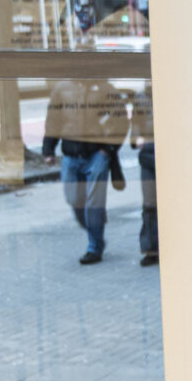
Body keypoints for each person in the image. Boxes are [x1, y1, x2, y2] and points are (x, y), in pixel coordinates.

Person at [41, 73, 130, 264]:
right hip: (70, 155)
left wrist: (108, 149)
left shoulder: (105, 88)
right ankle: (95, 225)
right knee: (74, 199)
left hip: (97, 155)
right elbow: (53, 120)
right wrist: (48, 149)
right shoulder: (62, 88)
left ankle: (94, 247)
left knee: (94, 204)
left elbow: (121, 120)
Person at [128, 80, 157, 266]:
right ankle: (150, 249)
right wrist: (136, 138)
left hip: (170, 153)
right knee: (149, 204)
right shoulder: (141, 97)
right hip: (147, 154)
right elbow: (136, 121)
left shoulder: (173, 90)